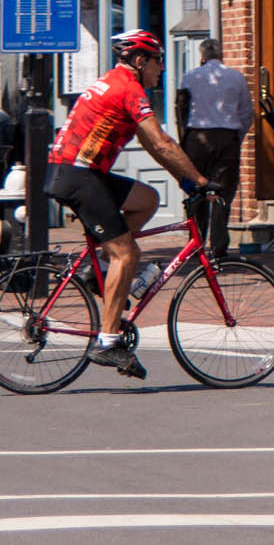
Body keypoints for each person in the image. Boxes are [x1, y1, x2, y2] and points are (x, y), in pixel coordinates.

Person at [45, 30, 209, 380]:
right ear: (140, 61)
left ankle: (99, 271)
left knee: (147, 199)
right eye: (158, 60)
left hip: (78, 170)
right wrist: (202, 181)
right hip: (78, 175)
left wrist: (182, 179)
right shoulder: (128, 89)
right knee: (127, 254)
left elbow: (152, 145)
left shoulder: (115, 81)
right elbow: (163, 143)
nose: (162, 68)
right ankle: (107, 341)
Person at [177, 39, 254, 235]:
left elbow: (181, 110)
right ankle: (219, 243)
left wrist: (184, 139)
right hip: (226, 136)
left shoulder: (190, 77)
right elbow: (246, 112)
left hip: (197, 137)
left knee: (196, 189)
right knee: (223, 190)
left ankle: (197, 242)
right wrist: (238, 135)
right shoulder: (236, 77)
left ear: (201, 57)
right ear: (222, 55)